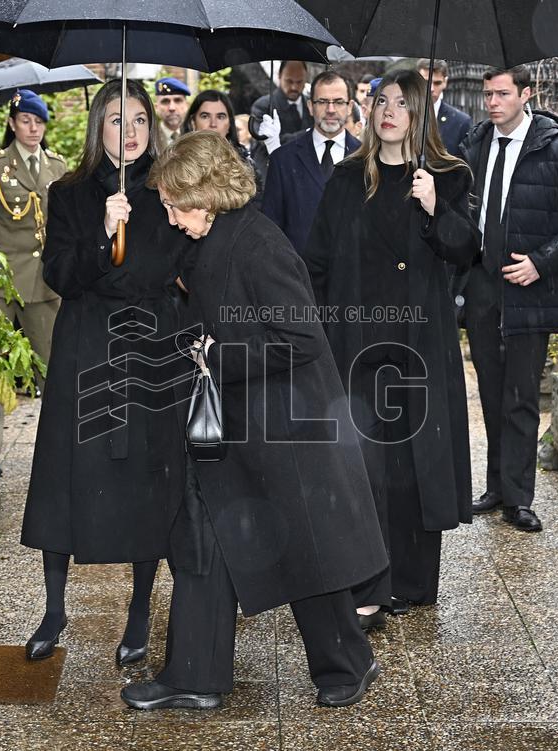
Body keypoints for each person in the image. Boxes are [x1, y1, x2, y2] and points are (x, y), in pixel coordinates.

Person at [121, 131, 388, 711]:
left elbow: (302, 340)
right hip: (238, 422)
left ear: (210, 194)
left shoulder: (261, 245)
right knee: (203, 540)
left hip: (286, 426)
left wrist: (215, 356)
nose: (169, 217)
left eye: (174, 204)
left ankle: (349, 662)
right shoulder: (211, 235)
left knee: (306, 553)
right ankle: (195, 675)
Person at [20, 79, 192, 667]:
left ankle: (141, 610)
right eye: (119, 120)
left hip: (150, 345)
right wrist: (101, 233)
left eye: (141, 119)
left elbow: (181, 265)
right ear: (100, 127)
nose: (133, 131)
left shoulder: (174, 189)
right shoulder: (68, 192)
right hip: (87, 344)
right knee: (68, 473)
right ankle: (53, 608)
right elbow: (60, 275)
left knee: (148, 477)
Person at [303, 69, 478, 627]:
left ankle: (414, 580)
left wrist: (435, 208)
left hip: (419, 346)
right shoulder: (348, 177)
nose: (389, 111)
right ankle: (370, 584)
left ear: (421, 112)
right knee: (365, 466)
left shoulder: (447, 176)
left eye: (403, 102)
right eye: (382, 101)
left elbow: (467, 250)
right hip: (358, 342)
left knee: (415, 465)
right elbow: (318, 260)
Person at [457, 65, 558, 532]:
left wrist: (540, 261)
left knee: (520, 395)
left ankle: (519, 498)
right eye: (488, 94)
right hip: (482, 286)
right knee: (491, 392)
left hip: (530, 288)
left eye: (502, 94)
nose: (493, 102)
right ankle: (496, 486)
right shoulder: (475, 144)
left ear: (526, 95)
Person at [0, 89, 68, 382]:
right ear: (11, 124)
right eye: (25, 121)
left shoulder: (57, 167)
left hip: (44, 281)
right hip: (5, 281)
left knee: (52, 365)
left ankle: (54, 427)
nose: (34, 129)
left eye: (39, 121)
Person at [262, 71, 361, 255]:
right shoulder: (283, 159)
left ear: (350, 107)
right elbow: (271, 228)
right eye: (322, 102)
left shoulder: (367, 159)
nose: (330, 109)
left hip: (352, 275)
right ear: (310, 106)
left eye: (338, 102)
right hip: (297, 275)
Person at [181, 89, 263, 196]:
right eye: (205, 116)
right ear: (192, 122)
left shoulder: (246, 165)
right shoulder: (177, 162)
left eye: (220, 117)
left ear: (229, 124)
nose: (213, 124)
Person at [248, 60, 314, 174]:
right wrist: (309, 134)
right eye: (289, 81)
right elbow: (264, 139)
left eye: (299, 82)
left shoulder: (311, 106)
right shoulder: (263, 106)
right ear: (279, 76)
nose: (294, 87)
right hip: (271, 173)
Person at [417, 58, 473, 158]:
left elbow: (464, 166)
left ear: (445, 82)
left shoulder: (460, 122)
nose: (431, 89)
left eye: (437, 83)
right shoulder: (402, 115)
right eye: (426, 82)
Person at [155, 77, 190, 144]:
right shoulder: (149, 138)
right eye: (165, 101)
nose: (172, 108)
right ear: (156, 107)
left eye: (178, 100)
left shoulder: (195, 135)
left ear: (187, 105)